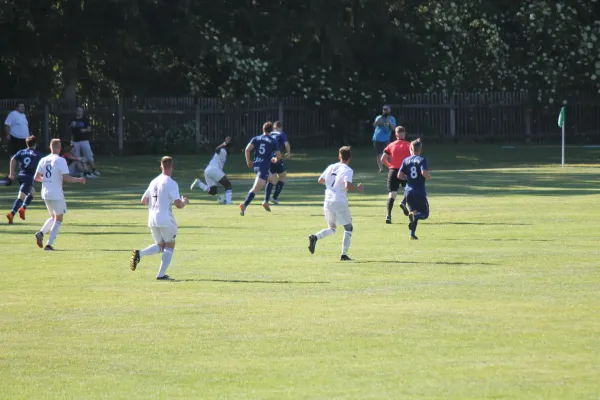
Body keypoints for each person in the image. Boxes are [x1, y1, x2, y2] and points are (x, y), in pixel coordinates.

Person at [130, 156, 189, 281]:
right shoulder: (171, 183)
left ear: (161, 167)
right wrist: (185, 202)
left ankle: (140, 254)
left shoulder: (154, 181)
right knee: (169, 246)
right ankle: (161, 274)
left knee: (161, 245)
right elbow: (178, 204)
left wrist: (155, 205)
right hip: (165, 219)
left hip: (152, 219)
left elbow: (144, 200)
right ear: (171, 167)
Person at [307, 146, 364, 261]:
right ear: (350, 158)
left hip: (328, 199)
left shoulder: (331, 167)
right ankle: (344, 255)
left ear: (339, 156)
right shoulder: (348, 170)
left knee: (332, 228)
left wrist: (332, 186)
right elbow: (347, 185)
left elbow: (320, 180)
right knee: (348, 228)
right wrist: (357, 188)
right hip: (339, 199)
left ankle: (315, 237)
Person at [34, 139, 86, 250]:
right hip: (56, 193)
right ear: (59, 148)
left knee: (53, 216)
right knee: (58, 219)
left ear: (50, 147)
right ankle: (49, 244)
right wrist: (79, 180)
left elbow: (36, 177)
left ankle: (41, 233)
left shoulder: (43, 159)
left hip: (45, 192)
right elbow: (67, 178)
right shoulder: (60, 160)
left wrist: (47, 180)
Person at [240, 121, 281, 216]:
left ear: (263, 129)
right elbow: (278, 155)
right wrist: (276, 159)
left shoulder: (256, 138)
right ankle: (244, 205)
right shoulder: (273, 141)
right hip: (264, 167)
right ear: (272, 130)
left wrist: (248, 161)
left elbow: (247, 149)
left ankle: (266, 201)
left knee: (273, 178)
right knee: (255, 188)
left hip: (256, 165)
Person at [397, 139, 432, 240]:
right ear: (420, 149)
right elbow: (424, 173)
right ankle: (414, 218)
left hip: (409, 192)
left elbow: (399, 175)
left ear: (410, 148)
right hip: (419, 191)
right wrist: (429, 176)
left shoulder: (406, 160)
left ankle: (412, 234)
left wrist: (408, 178)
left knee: (413, 212)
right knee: (425, 214)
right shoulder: (422, 160)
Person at [6, 135, 43, 224]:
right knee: (21, 197)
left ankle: (23, 208)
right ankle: (12, 213)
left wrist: (11, 173)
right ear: (35, 144)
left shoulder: (21, 152)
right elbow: (42, 166)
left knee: (32, 192)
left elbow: (12, 160)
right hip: (29, 177)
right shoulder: (38, 154)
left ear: (27, 144)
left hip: (21, 176)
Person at [381, 126, 411, 224]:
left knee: (392, 195)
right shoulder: (408, 145)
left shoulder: (391, 145)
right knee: (410, 190)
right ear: (404, 134)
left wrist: (390, 165)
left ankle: (388, 215)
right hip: (404, 171)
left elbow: (382, 159)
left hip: (393, 171)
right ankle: (403, 202)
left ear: (396, 135)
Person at [190, 136, 233, 204]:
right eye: (232, 148)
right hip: (214, 170)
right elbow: (216, 149)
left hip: (208, 171)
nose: (232, 150)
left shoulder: (224, 153)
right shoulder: (223, 151)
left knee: (213, 191)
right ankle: (228, 202)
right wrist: (225, 143)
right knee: (228, 184)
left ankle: (199, 184)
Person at [265, 120, 291, 205]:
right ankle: (274, 197)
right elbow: (286, 144)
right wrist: (288, 153)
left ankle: (267, 197)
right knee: (282, 176)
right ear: (280, 127)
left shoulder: (269, 134)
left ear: (274, 127)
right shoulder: (281, 134)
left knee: (271, 177)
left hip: (267, 158)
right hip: (276, 157)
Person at [70, 106, 100, 177]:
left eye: (81, 111)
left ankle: (94, 169)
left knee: (89, 156)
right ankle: (83, 172)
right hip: (75, 141)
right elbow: (69, 128)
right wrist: (71, 125)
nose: (80, 112)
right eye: (78, 111)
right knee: (77, 157)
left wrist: (85, 130)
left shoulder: (85, 120)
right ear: (76, 111)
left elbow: (89, 129)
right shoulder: (72, 120)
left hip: (84, 141)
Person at [372, 105, 396, 173]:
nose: (385, 111)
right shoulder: (379, 117)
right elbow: (374, 125)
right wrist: (379, 120)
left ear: (389, 110)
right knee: (379, 154)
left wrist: (389, 121)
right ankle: (381, 169)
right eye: (384, 110)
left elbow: (393, 129)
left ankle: (391, 167)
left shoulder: (392, 118)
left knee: (388, 154)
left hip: (386, 139)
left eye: (387, 110)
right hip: (377, 138)